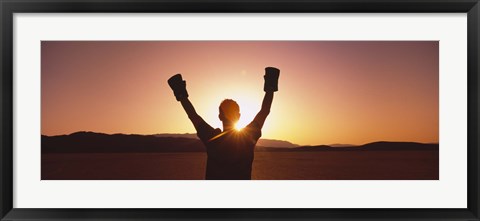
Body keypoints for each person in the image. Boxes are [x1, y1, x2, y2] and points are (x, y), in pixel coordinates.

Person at [168, 67, 280, 180]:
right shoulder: (247, 137)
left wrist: (181, 94)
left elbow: (193, 115)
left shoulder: (212, 137)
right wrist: (270, 87)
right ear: (239, 116)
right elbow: (264, 111)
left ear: (220, 116)